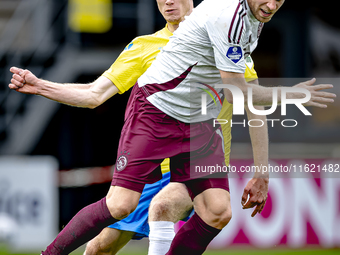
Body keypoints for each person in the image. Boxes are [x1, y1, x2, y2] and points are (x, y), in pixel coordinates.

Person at [9, 0, 336, 254]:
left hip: (199, 132)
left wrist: (262, 171)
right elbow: (95, 94)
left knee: (215, 210)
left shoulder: (244, 25)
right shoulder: (148, 45)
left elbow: (254, 108)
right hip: (155, 129)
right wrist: (41, 86)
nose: (169, 2)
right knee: (103, 239)